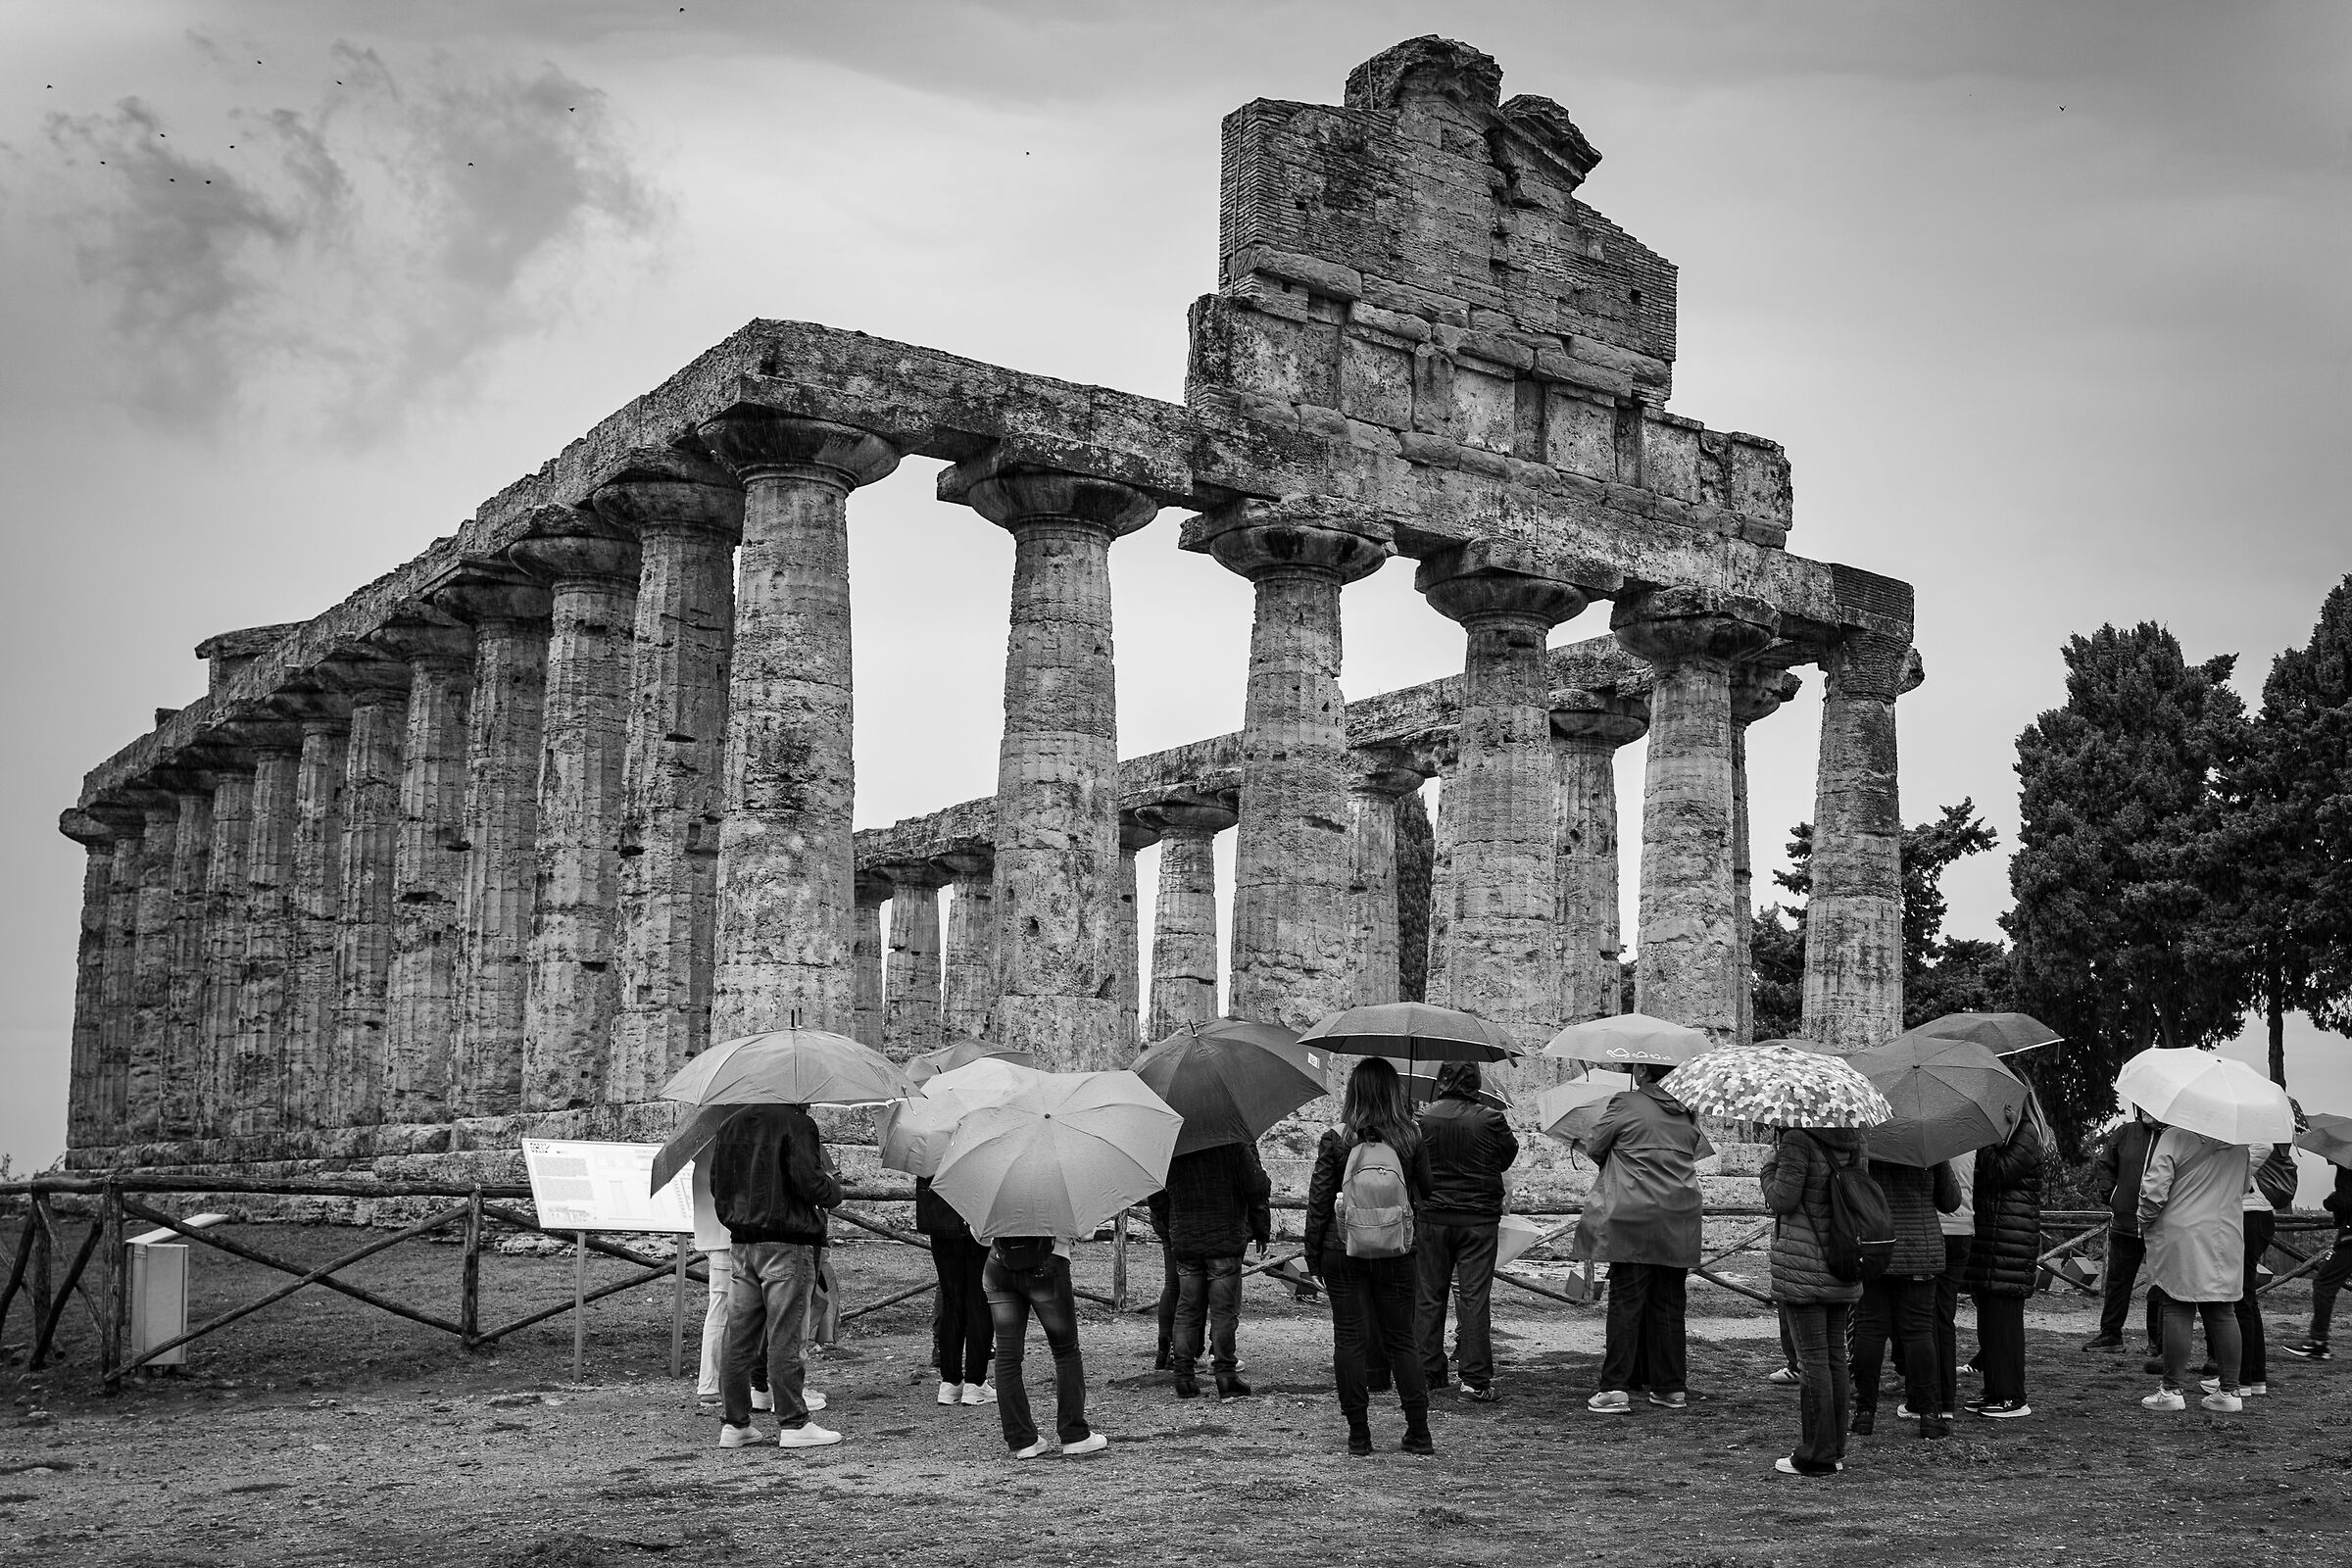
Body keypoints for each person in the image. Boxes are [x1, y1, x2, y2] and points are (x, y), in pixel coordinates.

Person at [1305, 1057, 1437, 1456]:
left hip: (1342, 1247)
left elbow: (1319, 1201)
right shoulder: (1411, 1136)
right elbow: (1427, 1190)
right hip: (1396, 1247)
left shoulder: (1337, 1137)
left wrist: (1313, 1255)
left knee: (1348, 1338)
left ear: (1353, 1092)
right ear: (1395, 1092)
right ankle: (1418, 1432)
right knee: (1401, 1339)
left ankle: (1359, 1435)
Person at [1577, 1062, 1710, 1415]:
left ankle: (1614, 1386)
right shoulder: (1687, 1113)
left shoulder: (1626, 1102)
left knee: (1626, 1301)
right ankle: (1671, 1387)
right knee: (1669, 1304)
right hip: (1679, 1216)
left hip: (1633, 1215)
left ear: (1642, 1070)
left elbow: (1595, 1145)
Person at [710, 1102, 843, 1449]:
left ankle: (735, 1422)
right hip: (787, 1240)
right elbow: (811, 1183)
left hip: (743, 1240)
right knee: (787, 1334)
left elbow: (717, 1182)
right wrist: (833, 1188)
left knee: (738, 1336)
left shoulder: (731, 1124)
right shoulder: (798, 1123)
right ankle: (794, 1422)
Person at [1761, 1123, 1864, 1476]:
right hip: (1842, 1259)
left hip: (1804, 1263)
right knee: (1835, 1357)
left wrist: (1769, 1168)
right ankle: (1834, 1449)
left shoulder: (1797, 1140)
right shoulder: (1854, 1139)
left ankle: (1816, 1453)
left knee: (1813, 1360)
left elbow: (1782, 1199)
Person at [1415, 1059, 1519, 1402]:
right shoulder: (1491, 1119)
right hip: (1477, 1220)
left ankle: (1427, 1372)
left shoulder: (1423, 1119)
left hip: (1433, 1216)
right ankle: (1474, 1379)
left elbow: (1414, 1161)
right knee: (1474, 1297)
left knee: (1429, 1295)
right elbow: (1506, 1158)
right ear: (1475, 1082)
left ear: (1442, 1080)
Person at [2136, 1122, 2252, 1412]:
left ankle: (2171, 1389)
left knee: (2176, 1304)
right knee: (2223, 1310)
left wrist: (2144, 1219)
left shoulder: (2175, 1136)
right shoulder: (2240, 1144)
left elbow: (2154, 1190)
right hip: (2226, 1233)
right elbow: (2244, 1187)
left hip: (2182, 1232)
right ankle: (2230, 1391)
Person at [1147, 1140, 1273, 1400]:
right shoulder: (1233, 1143)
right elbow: (1258, 1187)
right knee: (1223, 1311)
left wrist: (1174, 1223)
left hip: (1186, 1240)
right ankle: (1225, 1375)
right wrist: (1261, 1227)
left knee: (1187, 1309)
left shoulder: (1172, 1148)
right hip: (1224, 1238)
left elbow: (1156, 1196)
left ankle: (1183, 1376)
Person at [1850, 1156, 1961, 1440]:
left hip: (1875, 1247)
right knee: (1919, 1332)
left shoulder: (1867, 1144)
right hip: (1919, 1249)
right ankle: (1929, 1415)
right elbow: (1950, 1201)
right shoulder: (1929, 1145)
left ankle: (1864, 1413)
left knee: (1869, 1330)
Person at [982, 1230, 1108, 1459]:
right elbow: (1085, 1231)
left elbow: (978, 1234)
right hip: (1049, 1260)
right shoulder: (1056, 1202)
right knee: (1065, 1351)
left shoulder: (996, 1203)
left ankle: (1022, 1440)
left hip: (1000, 1262)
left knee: (1007, 1355)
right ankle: (1074, 1434)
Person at [1962, 1103, 2044, 1419]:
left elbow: (1999, 1172)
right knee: (1990, 1325)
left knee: (2005, 1324)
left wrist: (1983, 1139)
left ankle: (2012, 1397)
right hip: (1994, 1242)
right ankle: (1995, 1391)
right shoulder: (2008, 1134)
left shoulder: (2026, 1133)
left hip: (2009, 1244)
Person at [2220, 1143, 2296, 1398]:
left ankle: (2240, 1379)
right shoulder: (2251, 1132)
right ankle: (2253, 1376)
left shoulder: (2257, 1134)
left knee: (2240, 1299)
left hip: (2247, 1214)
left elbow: (2242, 1168)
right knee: (2246, 1300)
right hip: (2253, 1214)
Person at [2085, 1110, 2164, 1358]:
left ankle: (2157, 1340)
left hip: (2162, 1226)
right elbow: (2105, 1164)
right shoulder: (2125, 1132)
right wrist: (2111, 1196)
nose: (2149, 1111)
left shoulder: (2175, 1137)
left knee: (2159, 1284)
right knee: (2118, 1281)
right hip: (2125, 1221)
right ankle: (2110, 1334)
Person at [916, 1174, 993, 1407]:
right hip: (975, 1214)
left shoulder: (930, 1151)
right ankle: (975, 1382)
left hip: (939, 1215)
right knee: (978, 1298)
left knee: (951, 1299)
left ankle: (950, 1382)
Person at [2285, 1157, 2352, 1361]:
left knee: (2324, 1284)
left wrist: (2330, 1201)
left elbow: (2346, 1201)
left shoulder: (2347, 1165)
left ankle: (2318, 1341)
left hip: (2350, 1237)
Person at [1928, 1148, 1973, 1425]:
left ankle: (1928, 1398)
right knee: (1945, 1317)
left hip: (1935, 1228)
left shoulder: (1926, 1142)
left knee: (1925, 1319)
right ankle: (1946, 1400)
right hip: (1964, 1228)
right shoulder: (1969, 1137)